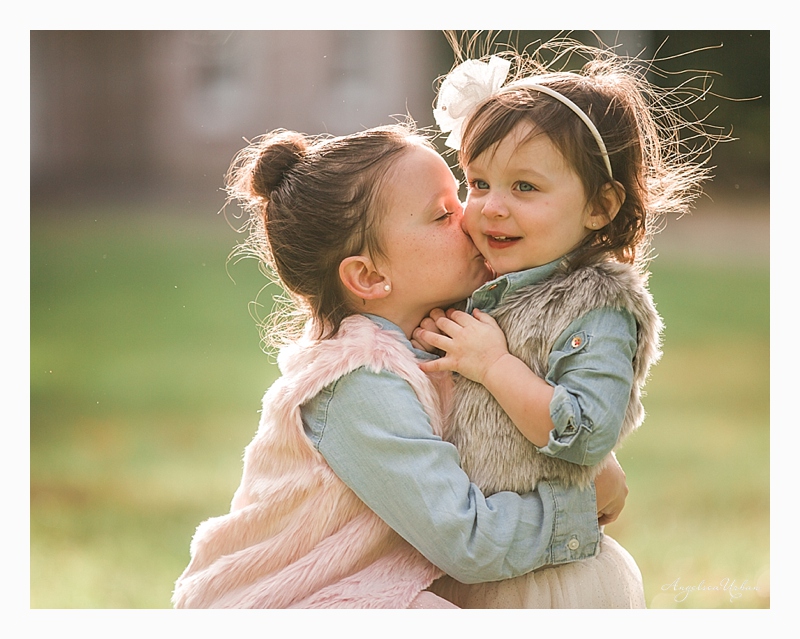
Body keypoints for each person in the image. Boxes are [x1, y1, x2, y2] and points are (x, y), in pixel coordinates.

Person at [171, 122, 630, 609]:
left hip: (374, 586)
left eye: (461, 196)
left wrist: (587, 458)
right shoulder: (358, 384)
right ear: (369, 276)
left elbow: (504, 428)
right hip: (285, 603)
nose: (472, 218)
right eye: (441, 215)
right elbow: (467, 540)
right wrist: (577, 507)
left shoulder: (452, 333)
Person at [414, 43, 713, 608]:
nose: (491, 207)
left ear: (600, 207)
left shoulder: (597, 307)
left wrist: (493, 364)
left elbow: (583, 432)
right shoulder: (480, 280)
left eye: (524, 187)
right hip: (469, 546)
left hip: (541, 578)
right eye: (477, 183)